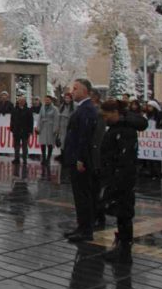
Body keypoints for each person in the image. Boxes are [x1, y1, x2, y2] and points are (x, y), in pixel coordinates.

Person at [99, 99, 148, 263]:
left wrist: (116, 178)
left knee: (124, 212)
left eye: (106, 115)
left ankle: (124, 249)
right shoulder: (117, 127)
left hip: (123, 177)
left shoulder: (125, 130)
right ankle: (122, 245)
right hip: (118, 175)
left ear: (115, 113)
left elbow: (124, 157)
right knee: (121, 212)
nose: (105, 119)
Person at [63, 79, 99, 243]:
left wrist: (80, 159)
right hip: (75, 158)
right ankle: (82, 227)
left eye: (75, 89)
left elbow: (85, 138)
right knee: (79, 196)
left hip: (81, 161)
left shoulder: (87, 110)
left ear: (84, 91)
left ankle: (86, 230)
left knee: (83, 195)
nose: (72, 91)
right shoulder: (82, 109)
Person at [90, 90, 107, 228]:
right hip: (93, 156)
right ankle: (96, 215)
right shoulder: (94, 112)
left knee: (96, 190)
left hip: (97, 158)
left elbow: (98, 137)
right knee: (94, 190)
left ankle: (99, 216)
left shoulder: (99, 114)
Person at [10, 95, 33, 176]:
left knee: (24, 146)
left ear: (24, 101)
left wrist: (30, 130)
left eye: (22, 101)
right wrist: (12, 128)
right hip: (16, 130)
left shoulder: (28, 110)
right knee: (16, 146)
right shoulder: (14, 109)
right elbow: (12, 120)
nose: (21, 102)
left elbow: (31, 121)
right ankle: (16, 158)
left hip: (25, 131)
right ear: (18, 101)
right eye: (20, 100)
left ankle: (24, 159)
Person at [37, 95, 57, 180]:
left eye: (48, 100)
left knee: (49, 143)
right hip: (43, 127)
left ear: (51, 100)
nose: (47, 101)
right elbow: (39, 117)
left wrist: (55, 129)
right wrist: (38, 127)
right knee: (43, 143)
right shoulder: (42, 108)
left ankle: (48, 158)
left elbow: (56, 119)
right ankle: (44, 157)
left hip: (50, 127)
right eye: (46, 100)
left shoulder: (55, 109)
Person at [55, 92, 74, 179]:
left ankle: (67, 160)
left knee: (68, 144)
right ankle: (63, 157)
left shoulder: (74, 107)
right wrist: (58, 127)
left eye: (68, 98)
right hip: (62, 128)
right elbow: (58, 117)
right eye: (65, 98)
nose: (67, 100)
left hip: (69, 128)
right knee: (62, 144)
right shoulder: (62, 107)